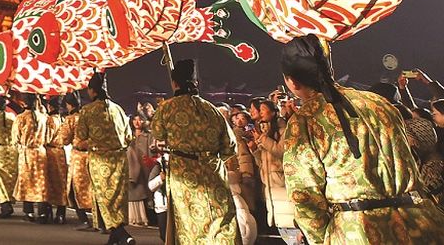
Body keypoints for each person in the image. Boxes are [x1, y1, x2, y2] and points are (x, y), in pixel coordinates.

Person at [281, 34, 444, 243]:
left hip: (360, 232)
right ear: (331, 70)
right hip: (422, 224)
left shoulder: (304, 121)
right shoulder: (379, 103)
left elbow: (305, 199)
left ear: (291, 82)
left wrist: (322, 239)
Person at [150, 58, 241, 244]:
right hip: (213, 172)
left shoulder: (166, 108)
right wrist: (208, 159)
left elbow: (158, 133)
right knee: (220, 223)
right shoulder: (212, 109)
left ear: (174, 83)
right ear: (195, 83)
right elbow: (230, 146)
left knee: (191, 226)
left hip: (184, 176)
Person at [74, 72, 135, 245]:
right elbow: (129, 136)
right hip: (120, 159)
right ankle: (114, 238)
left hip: (100, 159)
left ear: (92, 91)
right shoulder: (118, 109)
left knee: (104, 199)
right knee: (117, 199)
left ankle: (123, 235)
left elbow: (80, 136)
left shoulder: (87, 110)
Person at [248, 99, 299, 244]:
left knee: (290, 224)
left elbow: (280, 151)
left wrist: (263, 139)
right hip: (270, 187)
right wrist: (255, 150)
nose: (260, 112)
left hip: (282, 184)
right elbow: (262, 162)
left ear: (273, 111)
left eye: (263, 109)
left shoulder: (284, 129)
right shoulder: (266, 132)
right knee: (281, 226)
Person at [63, 92, 95, 228]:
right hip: (92, 155)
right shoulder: (88, 115)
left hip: (78, 157)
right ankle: (99, 221)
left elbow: (64, 139)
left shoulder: (70, 119)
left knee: (73, 189)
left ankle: (84, 220)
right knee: (92, 188)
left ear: (69, 105)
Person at [12, 94, 46, 221]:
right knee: (41, 182)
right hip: (41, 153)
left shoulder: (20, 118)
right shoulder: (43, 117)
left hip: (26, 153)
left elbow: (15, 138)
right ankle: (42, 212)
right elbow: (47, 137)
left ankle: (29, 211)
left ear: (24, 103)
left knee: (27, 181)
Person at [42, 97, 70, 223]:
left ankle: (47, 212)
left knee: (49, 182)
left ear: (51, 107)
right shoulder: (62, 119)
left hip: (50, 153)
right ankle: (61, 214)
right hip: (61, 153)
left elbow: (46, 137)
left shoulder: (50, 120)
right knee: (61, 183)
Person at [125, 114, 153, 228]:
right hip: (133, 168)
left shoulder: (148, 136)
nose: (137, 122)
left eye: (140, 119)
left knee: (149, 191)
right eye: (135, 119)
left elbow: (152, 153)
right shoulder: (129, 136)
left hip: (146, 167)